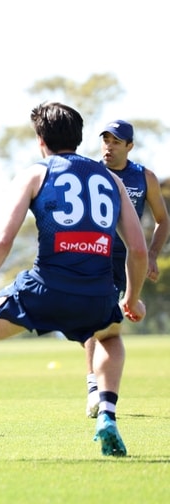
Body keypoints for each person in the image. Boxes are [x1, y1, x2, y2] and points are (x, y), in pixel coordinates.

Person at [0, 102, 148, 461]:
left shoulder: (36, 173)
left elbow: (1, 239)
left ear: (40, 140)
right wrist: (131, 297)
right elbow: (138, 249)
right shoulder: (112, 180)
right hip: (96, 293)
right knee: (110, 336)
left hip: (44, 288)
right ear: (80, 139)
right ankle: (107, 416)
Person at [83, 119, 169, 418]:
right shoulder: (89, 172)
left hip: (129, 259)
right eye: (105, 139)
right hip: (94, 255)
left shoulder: (145, 177)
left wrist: (153, 254)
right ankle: (94, 387)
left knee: (115, 316)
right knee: (97, 315)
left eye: (116, 141)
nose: (108, 146)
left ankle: (98, 387)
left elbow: (163, 219)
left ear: (129, 146)